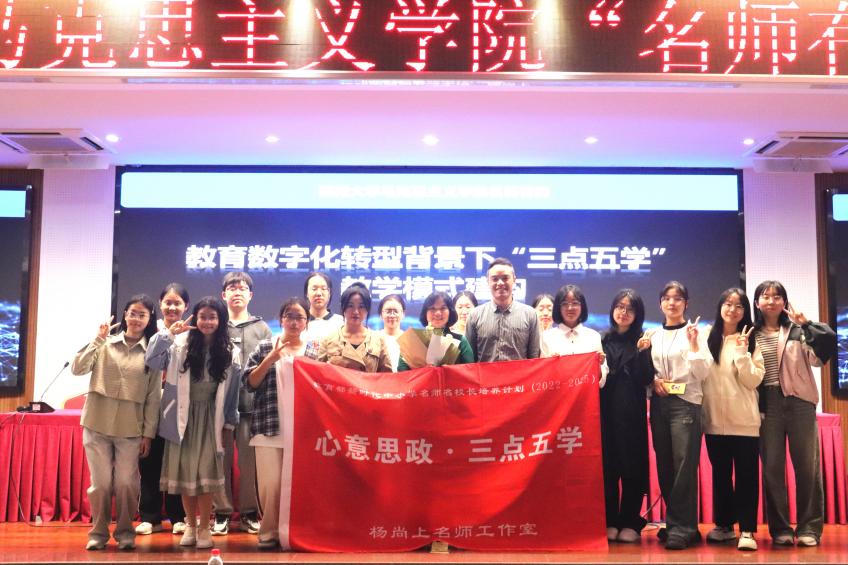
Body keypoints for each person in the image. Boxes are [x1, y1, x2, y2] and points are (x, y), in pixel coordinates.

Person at [146, 296, 241, 550]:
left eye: (212, 317)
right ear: (195, 318)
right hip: (183, 417)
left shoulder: (231, 351)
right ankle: (190, 524)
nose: (207, 322)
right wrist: (168, 333)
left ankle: (205, 527)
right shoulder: (180, 344)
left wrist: (228, 424)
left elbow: (232, 393)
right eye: (203, 317)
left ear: (220, 320)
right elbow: (152, 361)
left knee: (207, 473)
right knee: (186, 472)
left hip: (212, 417)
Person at [71, 295, 160, 551]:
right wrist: (97, 338)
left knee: (126, 484)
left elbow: (153, 397)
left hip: (130, 429)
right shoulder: (105, 344)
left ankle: (124, 532)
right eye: (132, 313)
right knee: (100, 484)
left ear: (149, 319)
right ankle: (98, 533)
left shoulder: (152, 353)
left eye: (142, 315)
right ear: (124, 314)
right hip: (96, 424)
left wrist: (148, 434)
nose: (136, 319)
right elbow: (77, 368)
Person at [753, 280, 835, 547]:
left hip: (799, 402)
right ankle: (780, 529)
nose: (772, 301)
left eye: (777, 296)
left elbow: (821, 355)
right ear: (757, 303)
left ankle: (809, 527)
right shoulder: (750, 333)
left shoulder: (798, 330)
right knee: (772, 469)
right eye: (766, 296)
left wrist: (808, 323)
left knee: (807, 468)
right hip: (767, 406)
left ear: (784, 302)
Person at [243, 297, 320, 549]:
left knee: (299, 485)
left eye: (300, 317)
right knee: (271, 485)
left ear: (306, 322)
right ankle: (269, 532)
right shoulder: (266, 346)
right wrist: (269, 360)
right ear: (281, 319)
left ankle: (295, 533)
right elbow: (249, 383)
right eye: (289, 316)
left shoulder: (314, 351)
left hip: (302, 429)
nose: (294, 322)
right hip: (269, 426)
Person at [642, 281, 709, 550]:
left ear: (686, 303)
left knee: (684, 466)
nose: (672, 303)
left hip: (686, 403)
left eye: (678, 298)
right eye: (667, 298)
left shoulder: (696, 332)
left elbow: (703, 373)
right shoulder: (652, 334)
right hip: (659, 404)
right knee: (665, 465)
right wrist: (653, 381)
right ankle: (680, 525)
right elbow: (646, 370)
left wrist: (693, 345)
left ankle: (681, 527)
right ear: (660, 303)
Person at [702, 287, 764, 551]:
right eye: (728, 304)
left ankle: (747, 530)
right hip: (713, 421)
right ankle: (724, 525)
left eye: (739, 306)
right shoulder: (706, 337)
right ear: (720, 307)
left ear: (745, 311)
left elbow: (753, 381)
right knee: (721, 476)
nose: (732, 310)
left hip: (745, 423)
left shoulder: (750, 339)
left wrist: (742, 354)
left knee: (747, 477)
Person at [214, 272, 271, 536]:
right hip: (219, 408)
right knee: (220, 461)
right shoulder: (216, 324)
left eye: (243, 288)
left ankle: (249, 512)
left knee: (249, 465)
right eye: (232, 288)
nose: (237, 291)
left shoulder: (262, 328)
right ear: (223, 295)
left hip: (251, 407)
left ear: (251, 295)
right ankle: (222, 513)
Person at [599, 289, 653, 544]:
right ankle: (610, 520)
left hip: (632, 415)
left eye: (630, 309)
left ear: (637, 314)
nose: (623, 312)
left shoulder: (643, 341)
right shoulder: (601, 340)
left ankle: (630, 521)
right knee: (608, 469)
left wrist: (643, 353)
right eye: (620, 307)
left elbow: (646, 378)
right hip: (605, 415)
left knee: (633, 468)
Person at [136, 283, 189, 537]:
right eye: (168, 302)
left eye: (177, 303)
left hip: (179, 407)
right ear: (160, 304)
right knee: (149, 461)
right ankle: (150, 517)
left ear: (186, 307)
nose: (172, 307)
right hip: (151, 406)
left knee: (177, 462)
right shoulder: (151, 331)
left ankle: (178, 516)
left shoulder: (191, 334)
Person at [464, 258, 540, 362]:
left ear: (514, 280)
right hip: (485, 373)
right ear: (488, 281)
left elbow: (534, 358)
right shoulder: (475, 315)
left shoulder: (530, 315)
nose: (500, 283)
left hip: (519, 373)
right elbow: (469, 360)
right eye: (495, 279)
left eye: (505, 278)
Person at [317, 283, 393, 373]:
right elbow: (317, 373)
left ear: (367, 309)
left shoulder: (378, 340)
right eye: (350, 306)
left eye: (361, 306)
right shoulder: (329, 340)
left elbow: (387, 376)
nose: (356, 311)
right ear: (343, 308)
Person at [540, 284, 607, 385]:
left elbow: (601, 382)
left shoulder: (594, 336)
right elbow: (542, 378)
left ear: (582, 306)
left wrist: (598, 364)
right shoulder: (546, 337)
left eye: (575, 303)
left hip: (585, 393)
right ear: (558, 307)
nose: (570, 308)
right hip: (557, 393)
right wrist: (550, 365)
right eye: (565, 304)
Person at [397, 291, 474, 370]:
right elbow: (402, 373)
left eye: (443, 308)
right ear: (425, 313)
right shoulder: (413, 341)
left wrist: (449, 371)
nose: (437, 313)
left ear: (450, 312)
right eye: (432, 308)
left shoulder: (460, 341)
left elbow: (471, 371)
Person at [304, 271, 344, 342]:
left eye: (323, 289)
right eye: (314, 289)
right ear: (306, 293)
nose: (319, 293)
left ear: (329, 293)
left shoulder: (340, 322)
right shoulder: (300, 322)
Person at [377, 294, 406, 372]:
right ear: (381, 314)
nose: (392, 315)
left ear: (403, 314)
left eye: (396, 311)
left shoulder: (410, 339)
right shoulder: (373, 338)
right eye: (388, 311)